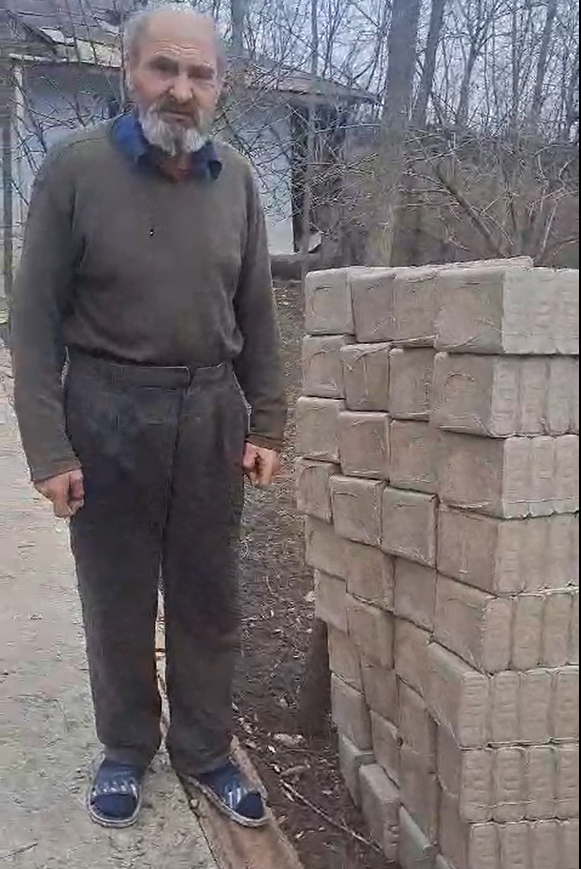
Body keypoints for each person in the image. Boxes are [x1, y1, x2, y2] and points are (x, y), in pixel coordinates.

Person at [11, 3, 286, 831]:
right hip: (107, 412)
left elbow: (256, 310)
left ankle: (205, 750)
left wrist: (266, 423)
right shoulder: (74, 170)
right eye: (164, 67)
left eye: (200, 73)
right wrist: (49, 449)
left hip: (208, 414)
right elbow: (32, 322)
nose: (181, 89)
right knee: (117, 596)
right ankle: (126, 747)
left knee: (207, 597)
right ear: (128, 71)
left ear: (219, 85)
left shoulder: (236, 179)